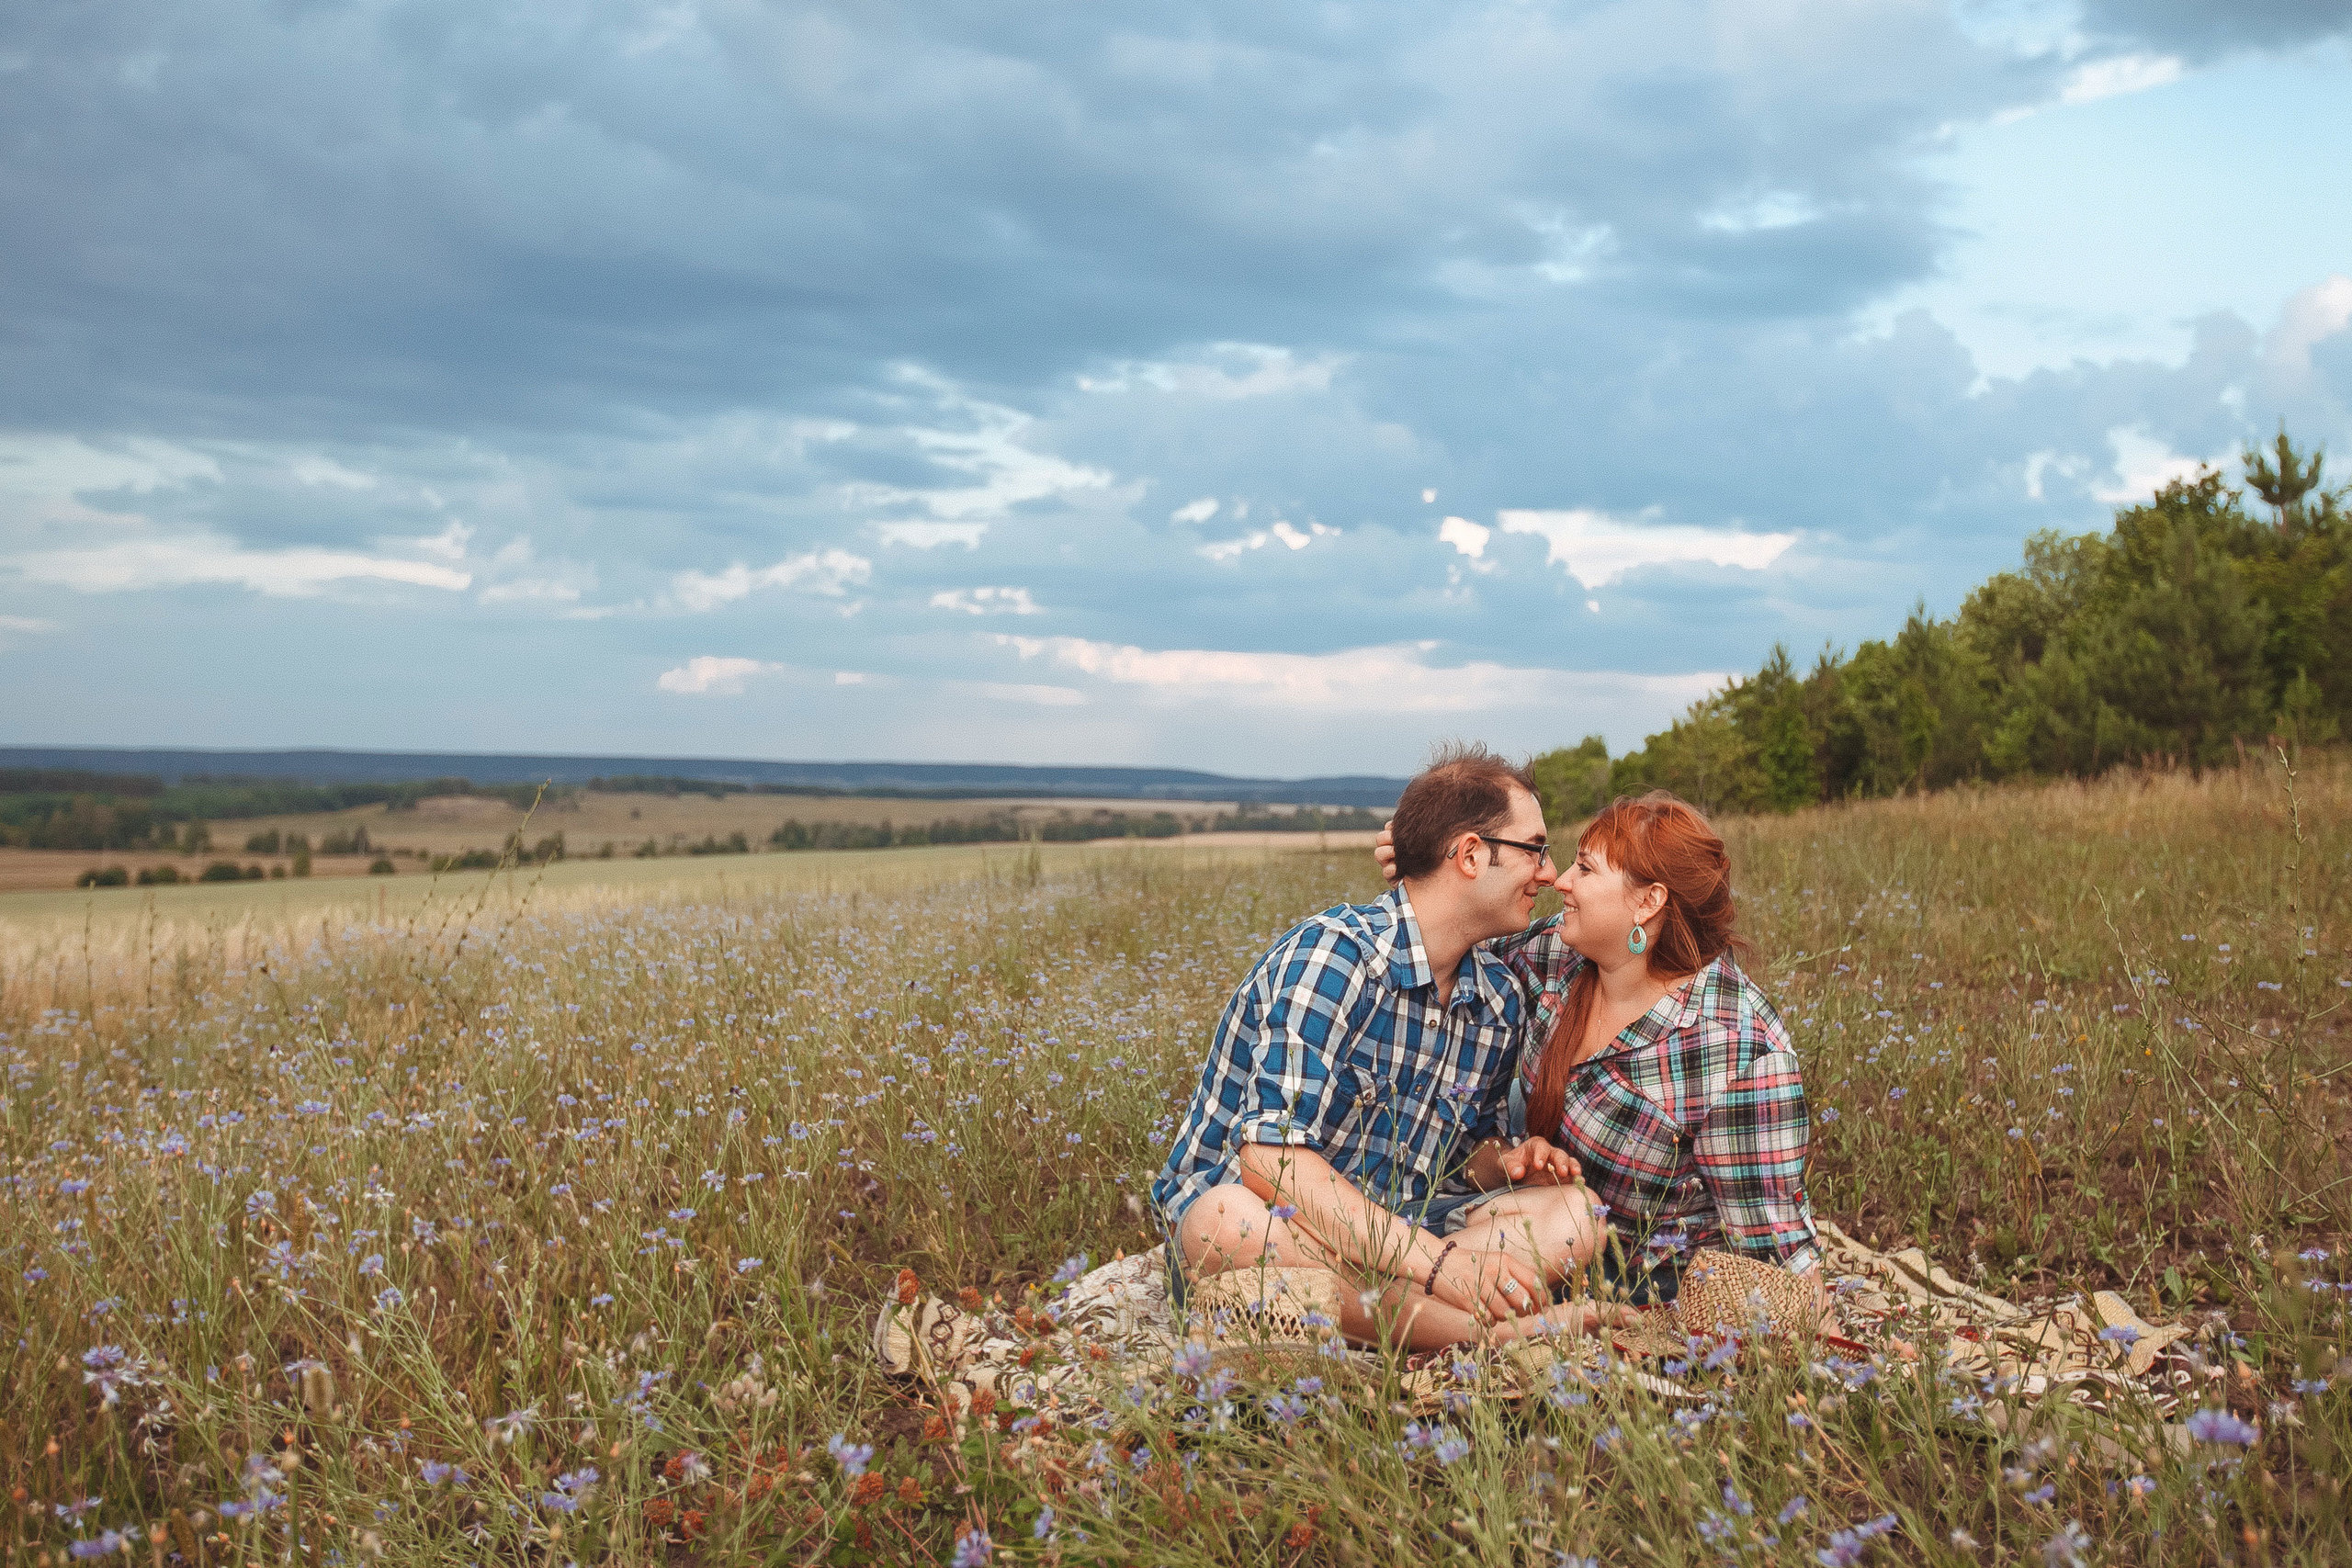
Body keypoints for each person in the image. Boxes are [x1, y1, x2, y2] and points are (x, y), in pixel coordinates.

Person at [1152, 744, 1618, 1348]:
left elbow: (1459, 1161)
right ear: (1472, 854)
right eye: (1535, 848)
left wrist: (1501, 1162)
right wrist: (1440, 1265)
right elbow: (1270, 1161)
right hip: (1277, 1218)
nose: (1550, 873)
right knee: (1227, 1224)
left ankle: (1387, 1319)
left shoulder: (1497, 1000)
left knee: (1581, 1214)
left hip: (1393, 1231)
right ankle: (1478, 1337)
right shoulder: (1335, 955)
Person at [1377, 789, 1820, 1307]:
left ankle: (1369, 1292)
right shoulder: (1558, 954)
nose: (1560, 880)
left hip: (1640, 1285)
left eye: (1585, 870)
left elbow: (1777, 1254)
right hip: (1533, 1219)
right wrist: (1431, 870)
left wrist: (1817, 1325)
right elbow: (1450, 937)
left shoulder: (1738, 1051)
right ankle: (1381, 1278)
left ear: (1648, 901)